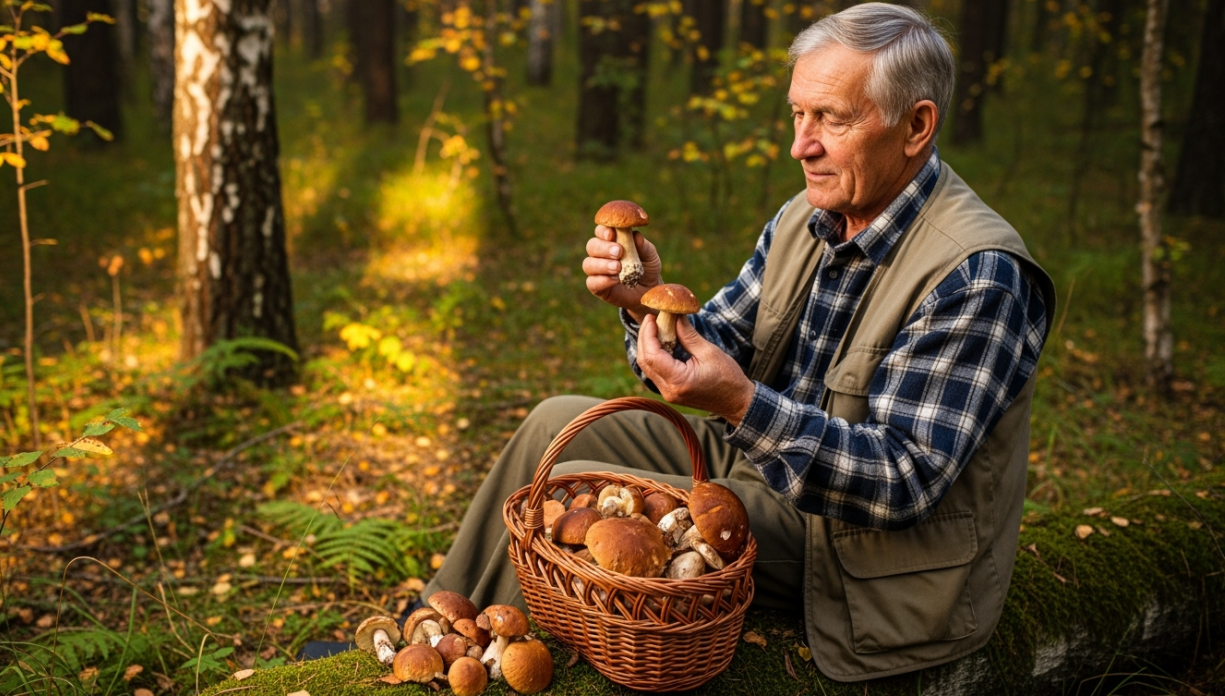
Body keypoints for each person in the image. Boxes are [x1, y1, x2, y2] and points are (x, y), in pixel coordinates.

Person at [420, 2, 1054, 681]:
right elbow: (719, 345)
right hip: (762, 467)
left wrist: (743, 406)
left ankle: (496, 663)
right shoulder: (806, 216)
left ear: (917, 126)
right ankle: (432, 633)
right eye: (796, 114)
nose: (799, 145)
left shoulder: (977, 273)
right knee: (556, 426)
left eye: (830, 119)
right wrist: (647, 312)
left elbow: (901, 482)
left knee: (586, 508)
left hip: (865, 556)